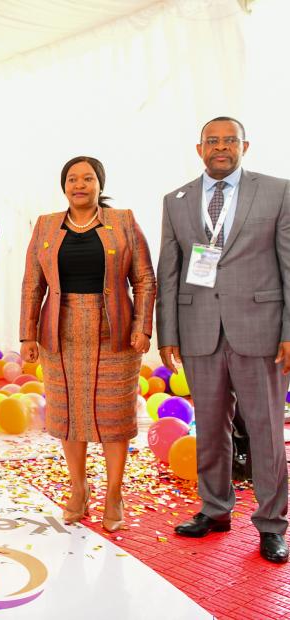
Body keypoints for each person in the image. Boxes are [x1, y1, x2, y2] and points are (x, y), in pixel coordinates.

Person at [157, 116, 290, 563]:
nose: (220, 147)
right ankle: (215, 511)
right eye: (212, 141)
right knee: (210, 430)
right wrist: (168, 333)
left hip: (261, 332)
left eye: (229, 140)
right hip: (198, 332)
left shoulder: (277, 191)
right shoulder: (175, 201)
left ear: (244, 146)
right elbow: (169, 273)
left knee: (266, 431)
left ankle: (272, 525)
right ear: (199, 149)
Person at [20, 156, 156, 532]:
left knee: (114, 416)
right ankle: (78, 489)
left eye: (88, 178)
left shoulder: (123, 221)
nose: (79, 185)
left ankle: (114, 493)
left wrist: (143, 326)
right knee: (68, 415)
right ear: (63, 186)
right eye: (72, 179)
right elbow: (33, 284)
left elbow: (144, 278)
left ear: (100, 184)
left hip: (116, 332)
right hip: (59, 332)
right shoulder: (47, 226)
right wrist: (26, 334)